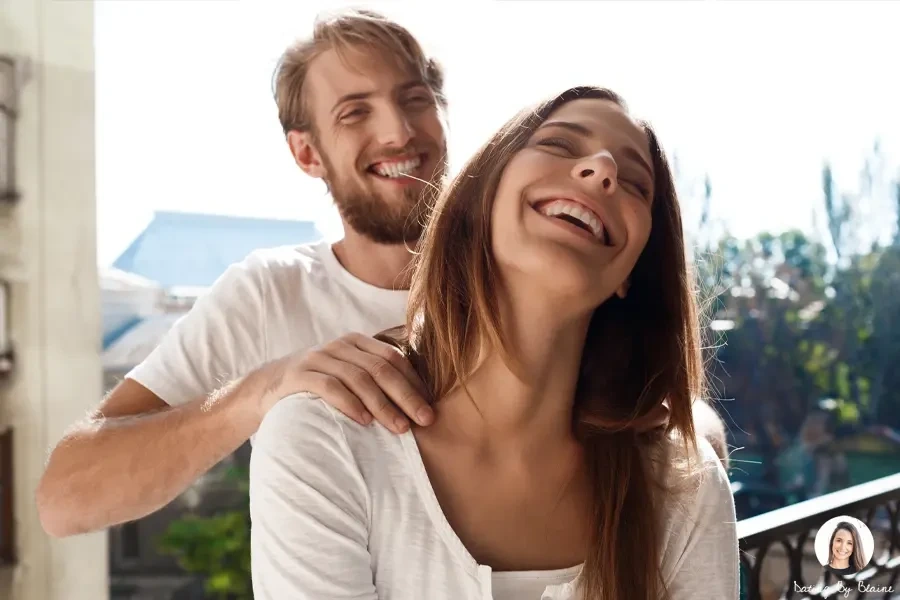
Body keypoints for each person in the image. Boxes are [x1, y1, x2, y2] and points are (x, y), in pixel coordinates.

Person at [36, 9, 728, 539]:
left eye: (416, 98)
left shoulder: (543, 261)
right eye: (355, 112)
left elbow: (642, 385)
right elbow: (65, 496)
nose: (398, 132)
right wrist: (266, 390)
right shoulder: (269, 293)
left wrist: (688, 439)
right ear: (307, 154)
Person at [249, 86, 739, 600]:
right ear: (480, 201)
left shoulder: (684, 487)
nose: (601, 169)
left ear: (630, 272)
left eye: (635, 183)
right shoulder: (322, 441)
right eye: (559, 145)